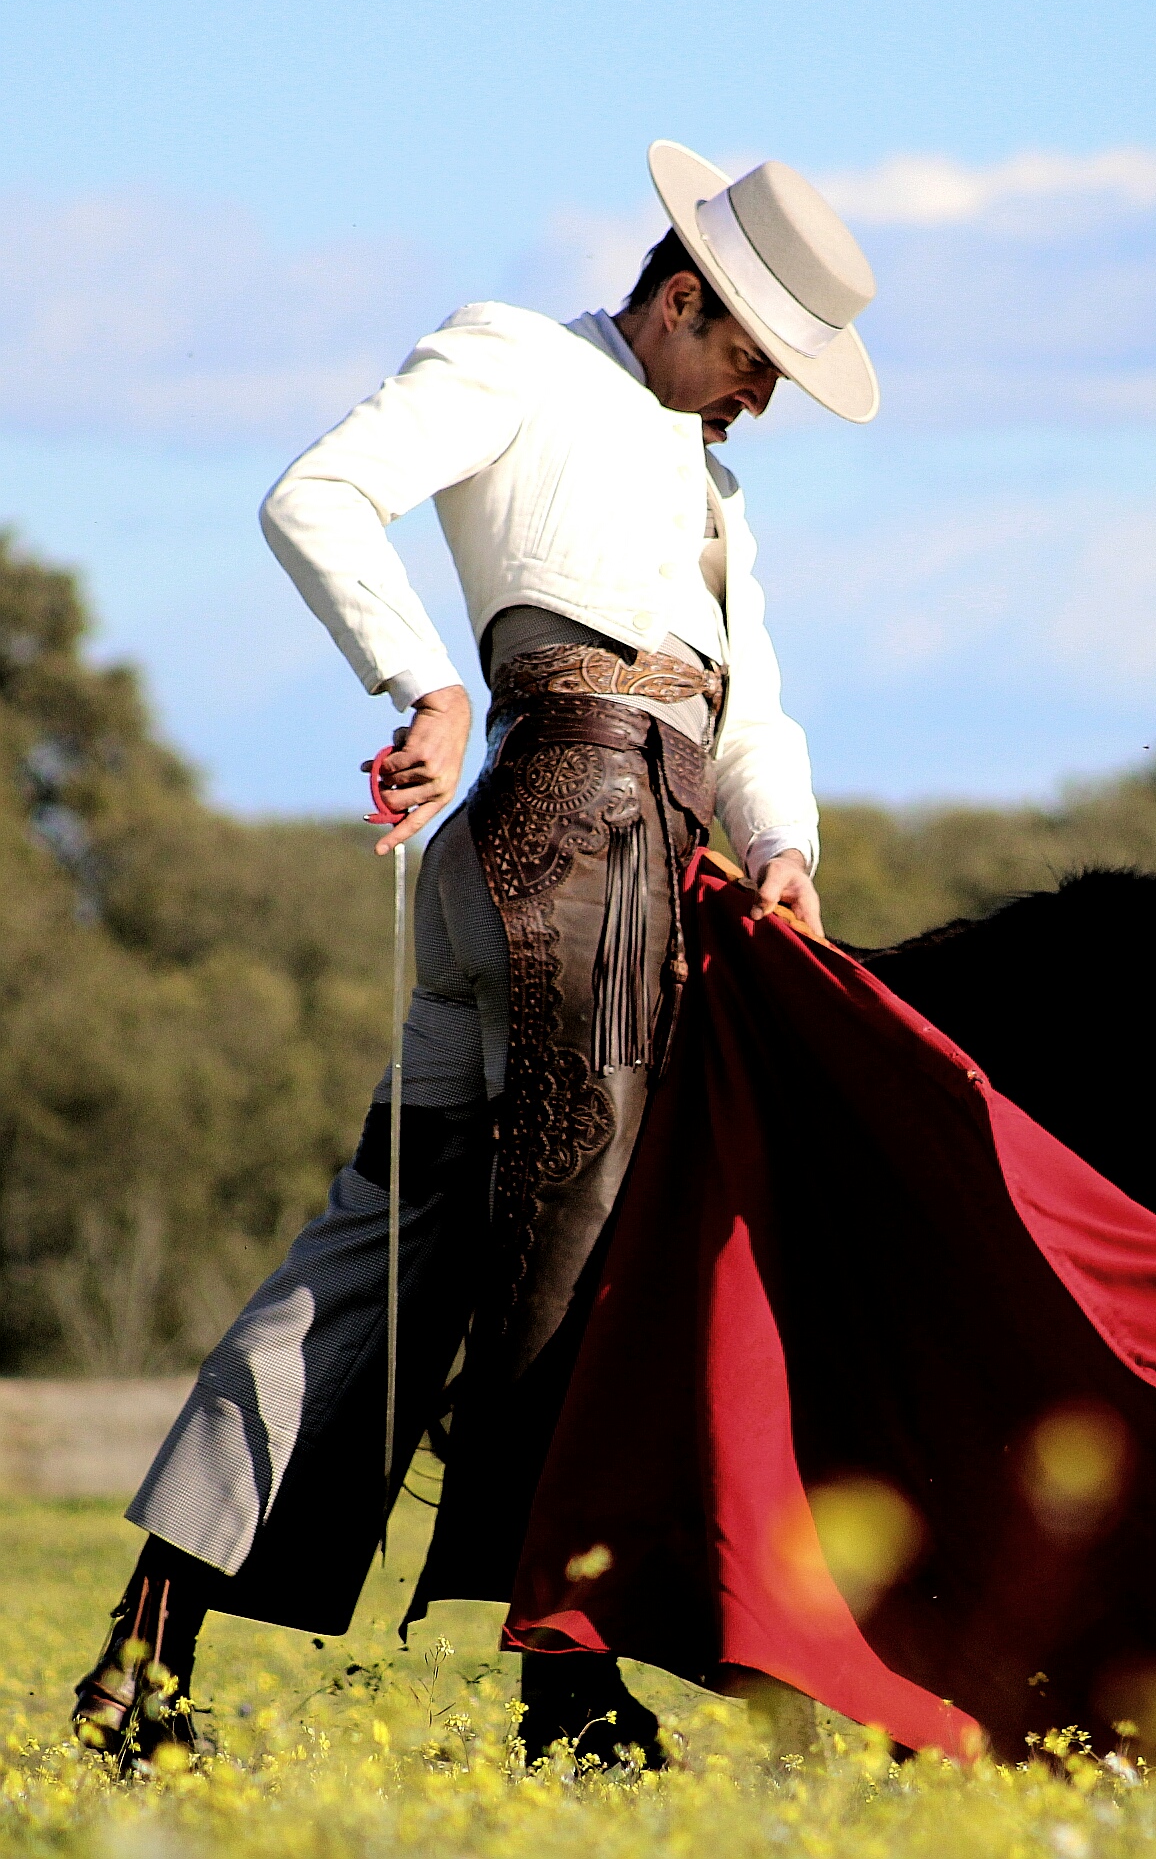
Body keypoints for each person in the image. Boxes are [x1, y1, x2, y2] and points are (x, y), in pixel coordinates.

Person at [72, 141, 878, 1769]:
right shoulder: (514, 353)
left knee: (377, 1248)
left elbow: (752, 707)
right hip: (568, 847)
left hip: (617, 854)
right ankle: (562, 1680)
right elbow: (314, 492)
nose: (757, 402)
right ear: (676, 299)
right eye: (749, 358)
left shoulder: (714, 490)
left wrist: (783, 848)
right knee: (584, 1245)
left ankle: (141, 1659)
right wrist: (420, 685)